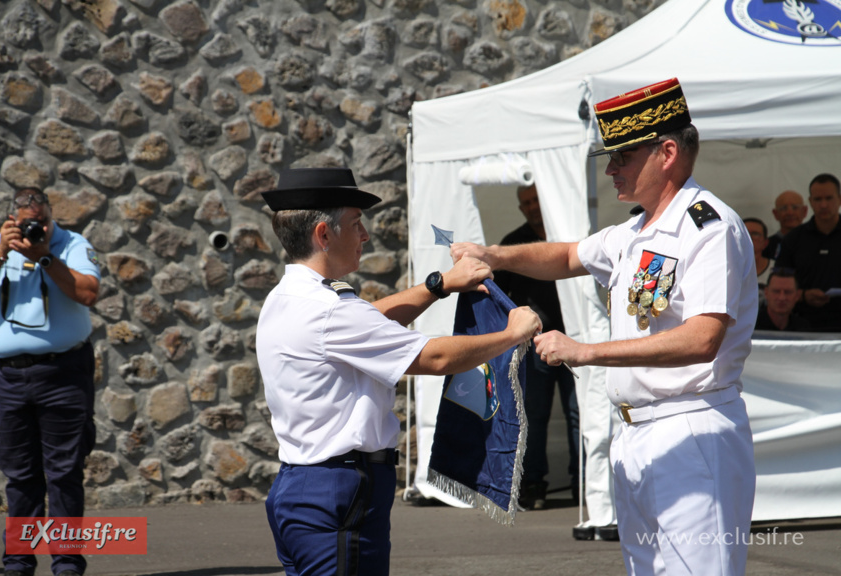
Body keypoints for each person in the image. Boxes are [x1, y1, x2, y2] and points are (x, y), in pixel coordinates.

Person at [451, 78, 758, 576]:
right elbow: (568, 254)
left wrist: (586, 351)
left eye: (623, 157)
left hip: (690, 429)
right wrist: (493, 255)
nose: (611, 169)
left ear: (667, 152)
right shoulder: (636, 230)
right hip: (637, 431)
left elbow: (704, 338)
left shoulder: (708, 227)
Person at [255, 167, 541, 576]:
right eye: (356, 224)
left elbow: (367, 321)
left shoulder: (288, 297)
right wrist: (511, 334)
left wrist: (439, 285)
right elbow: (435, 358)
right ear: (324, 234)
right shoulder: (330, 310)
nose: (366, 235)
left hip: (303, 486)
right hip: (337, 491)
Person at [0, 187, 100, 576]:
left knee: (64, 472)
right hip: (12, 377)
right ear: (13, 219)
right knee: (20, 473)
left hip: (63, 373)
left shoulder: (71, 244)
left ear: (50, 215)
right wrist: (1, 251)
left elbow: (88, 293)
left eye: (42, 220)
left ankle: (65, 563)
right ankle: (18, 561)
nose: (36, 227)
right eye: (28, 222)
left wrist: (44, 256)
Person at [495, 183, 579, 510]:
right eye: (525, 203)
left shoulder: (570, 233)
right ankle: (533, 485)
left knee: (578, 413)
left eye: (535, 200)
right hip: (536, 345)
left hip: (576, 340)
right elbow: (499, 296)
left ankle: (583, 483)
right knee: (533, 415)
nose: (531, 207)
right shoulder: (513, 244)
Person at [775, 173, 841, 332]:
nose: (823, 205)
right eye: (818, 199)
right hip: (804, 324)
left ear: (839, 199)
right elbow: (779, 280)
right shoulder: (793, 239)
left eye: (829, 198)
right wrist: (803, 295)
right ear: (810, 202)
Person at [763, 190, 807, 260]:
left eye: (795, 207)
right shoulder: (766, 247)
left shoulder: (816, 242)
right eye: (783, 208)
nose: (790, 213)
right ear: (775, 214)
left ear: (804, 211)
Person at [743, 217, 773, 305]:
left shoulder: (775, 269)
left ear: (765, 242)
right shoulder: (727, 269)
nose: (750, 238)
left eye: (755, 234)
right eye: (745, 234)